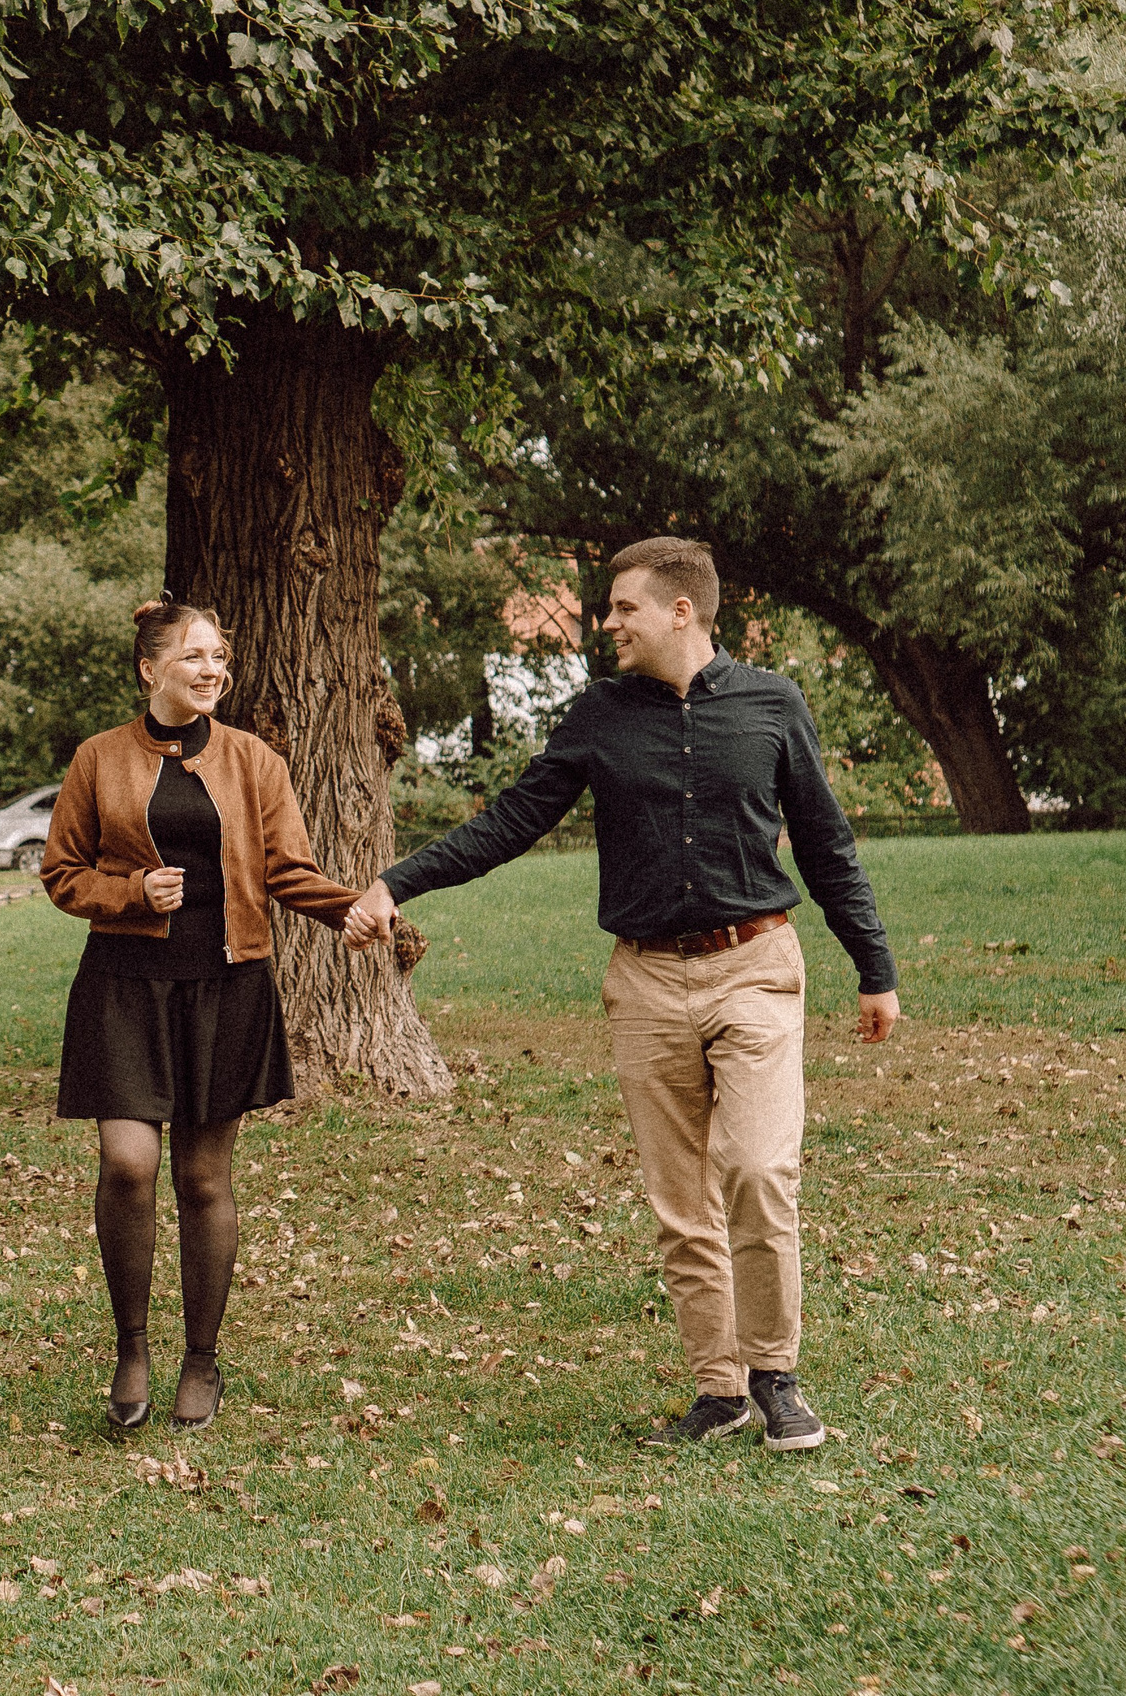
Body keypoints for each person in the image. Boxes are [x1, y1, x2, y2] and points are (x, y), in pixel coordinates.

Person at [345, 538, 901, 1452]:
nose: (608, 623)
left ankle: (776, 1374)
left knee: (758, 1169)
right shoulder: (600, 714)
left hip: (755, 966)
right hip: (644, 980)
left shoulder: (772, 704)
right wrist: (396, 883)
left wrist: (873, 966)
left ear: (681, 611)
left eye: (622, 608)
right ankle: (720, 1388)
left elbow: (826, 841)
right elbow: (512, 819)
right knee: (682, 1199)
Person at [42, 600, 360, 1431]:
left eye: (219, 656)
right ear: (150, 669)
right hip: (124, 986)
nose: (212, 669)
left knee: (203, 1178)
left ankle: (201, 1359)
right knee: (128, 1163)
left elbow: (289, 870)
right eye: (194, 656)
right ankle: (131, 1347)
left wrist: (352, 909)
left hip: (226, 986)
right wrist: (130, 892)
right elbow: (61, 872)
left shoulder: (254, 760)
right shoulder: (98, 758)